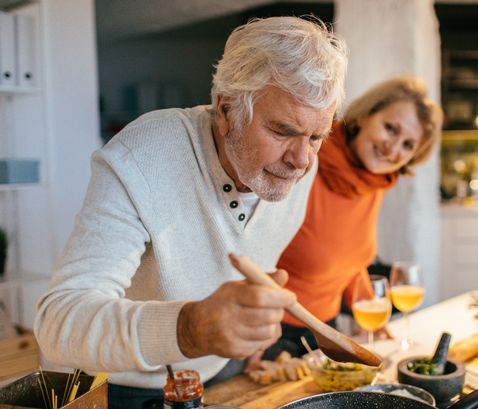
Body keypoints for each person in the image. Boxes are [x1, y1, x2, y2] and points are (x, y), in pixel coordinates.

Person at [33, 16, 347, 408]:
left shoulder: (300, 165)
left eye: (317, 136)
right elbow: (59, 324)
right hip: (115, 385)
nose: (301, 160)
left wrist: (243, 330)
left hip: (215, 374)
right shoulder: (144, 157)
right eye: (282, 131)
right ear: (226, 108)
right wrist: (189, 329)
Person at [265, 75, 442, 358]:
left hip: (326, 329)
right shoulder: (305, 161)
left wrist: (372, 314)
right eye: (390, 128)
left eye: (408, 145)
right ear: (364, 116)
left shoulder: (373, 181)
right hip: (272, 335)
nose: (393, 149)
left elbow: (349, 258)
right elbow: (252, 253)